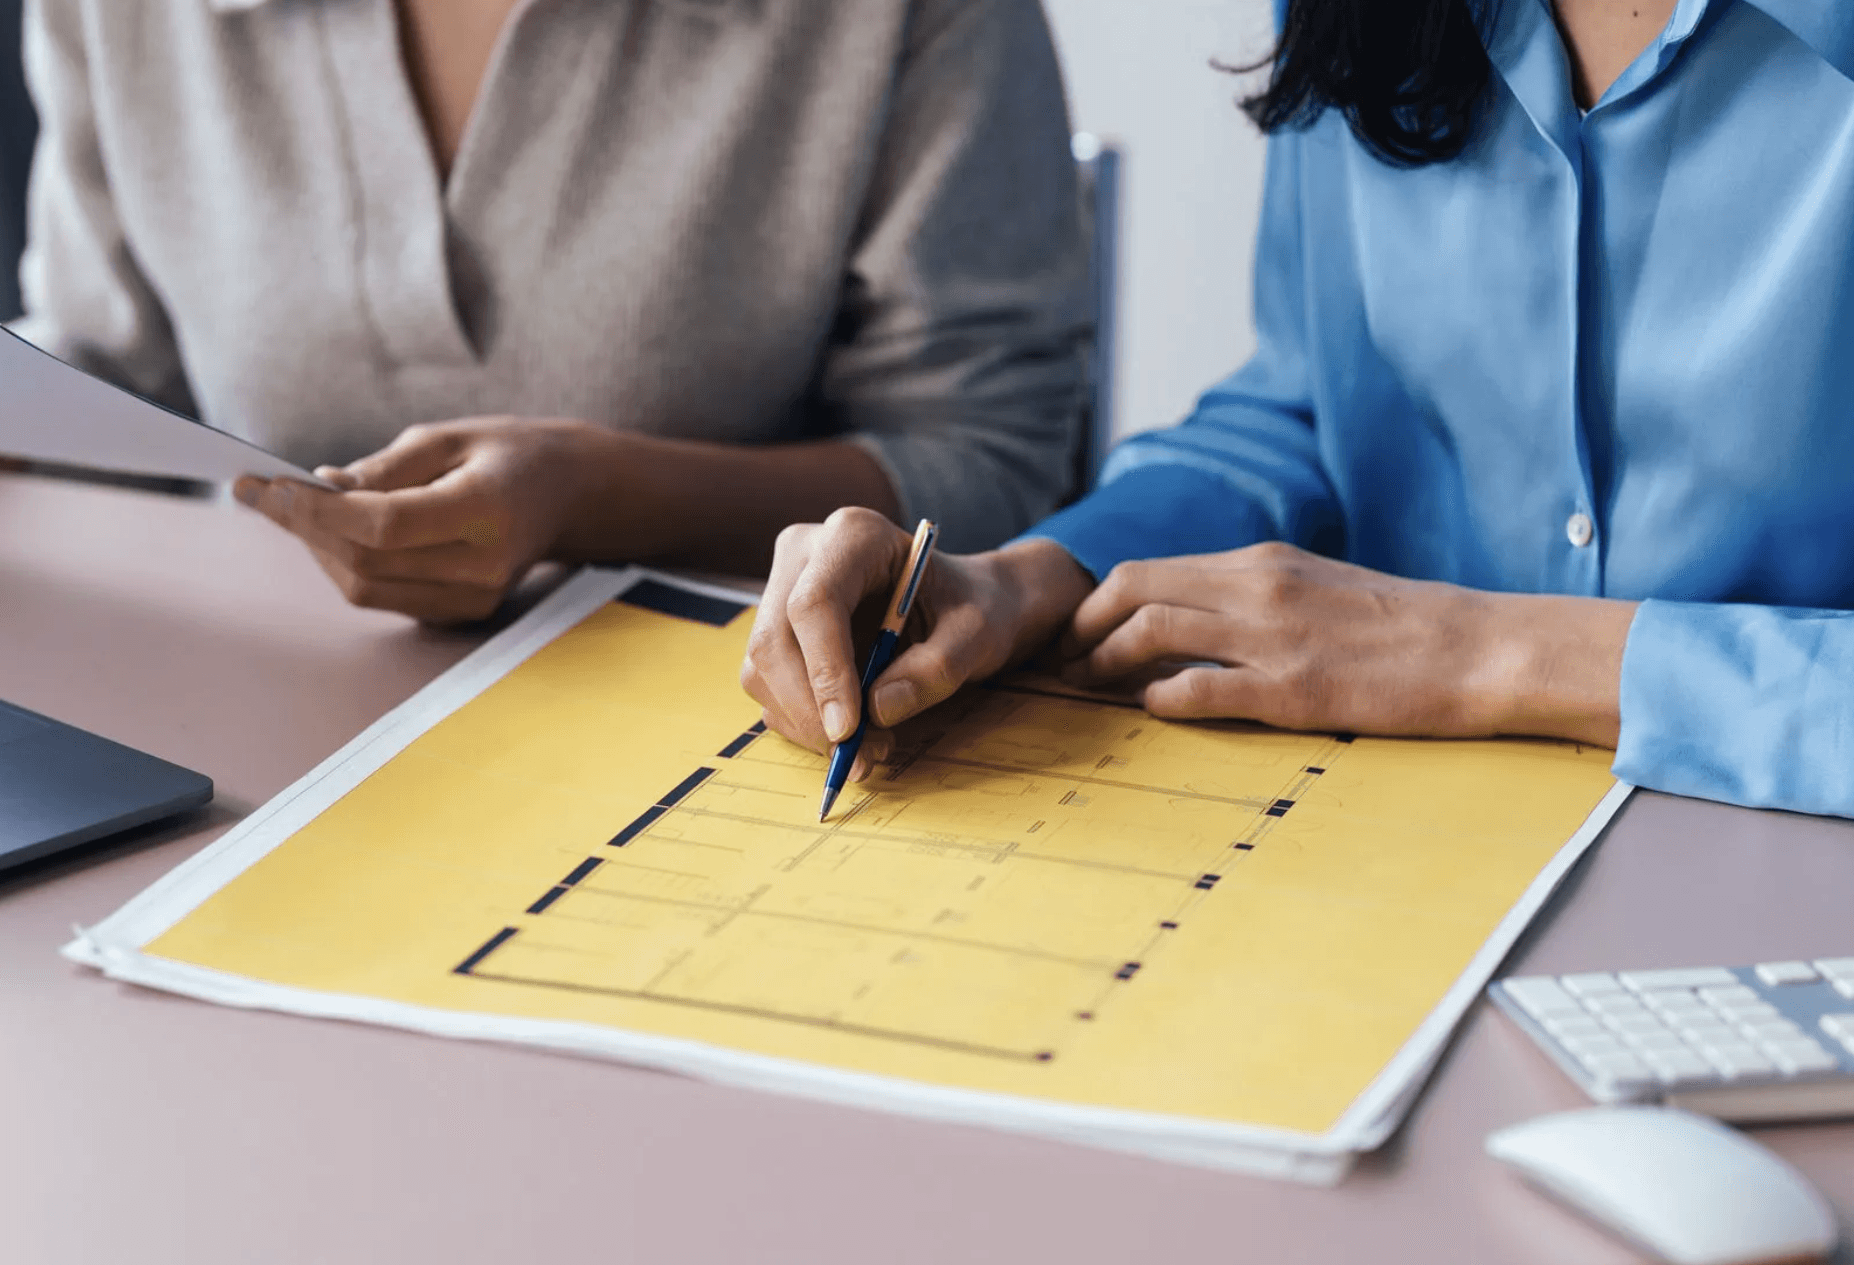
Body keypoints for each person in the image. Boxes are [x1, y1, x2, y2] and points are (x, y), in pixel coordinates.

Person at [743, 0, 1854, 821]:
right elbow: (1311, 412)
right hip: (1392, 844)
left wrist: (1495, 655)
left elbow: (1458, 643)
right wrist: (1030, 580)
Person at [0, 0, 1089, 621]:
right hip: (252, 711)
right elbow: (111, 369)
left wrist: (598, 499)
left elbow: (987, 466)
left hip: (739, 729)